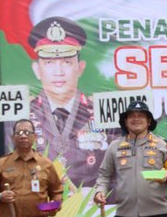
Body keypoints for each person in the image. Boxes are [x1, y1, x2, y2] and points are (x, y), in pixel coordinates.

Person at [24, 16, 111, 189]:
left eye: (67, 62)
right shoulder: (23, 115)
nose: (59, 71)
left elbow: (116, 166)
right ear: (37, 69)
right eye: (49, 62)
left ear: (80, 68)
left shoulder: (101, 111)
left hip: (92, 209)